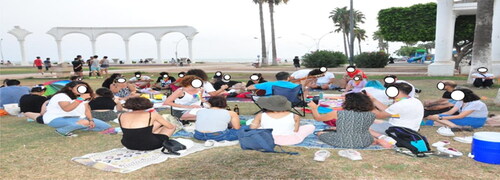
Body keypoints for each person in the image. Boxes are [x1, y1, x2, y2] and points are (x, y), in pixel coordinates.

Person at [42, 81, 114, 137]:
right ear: (70, 88)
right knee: (85, 123)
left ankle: (81, 126)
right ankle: (62, 130)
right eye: (79, 87)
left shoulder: (82, 96)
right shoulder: (61, 96)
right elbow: (67, 109)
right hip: (56, 119)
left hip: (77, 118)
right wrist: (80, 99)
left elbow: (87, 110)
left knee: (106, 127)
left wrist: (91, 120)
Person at [308, 93, 376, 148]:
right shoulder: (372, 114)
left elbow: (318, 118)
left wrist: (314, 108)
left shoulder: (338, 113)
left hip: (343, 141)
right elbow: (358, 125)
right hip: (365, 141)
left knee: (320, 133)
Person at [250, 95, 314, 145]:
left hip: (266, 138)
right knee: (311, 127)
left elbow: (252, 128)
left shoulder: (261, 115)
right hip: (289, 140)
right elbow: (295, 130)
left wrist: (259, 125)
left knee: (258, 127)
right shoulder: (294, 115)